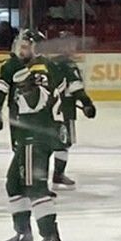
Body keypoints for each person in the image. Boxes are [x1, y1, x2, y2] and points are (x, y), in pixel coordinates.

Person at [1, 67, 67, 241]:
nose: (21, 88)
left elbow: (31, 100)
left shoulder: (36, 92)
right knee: (13, 183)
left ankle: (50, 236)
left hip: (34, 142)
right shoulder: (45, 89)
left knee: (35, 188)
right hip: (28, 142)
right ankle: (23, 232)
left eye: (23, 84)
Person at [51, 32, 96, 190]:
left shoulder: (49, 63)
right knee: (64, 143)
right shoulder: (69, 65)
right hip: (65, 111)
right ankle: (58, 175)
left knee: (45, 144)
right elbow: (76, 87)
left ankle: (37, 177)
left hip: (48, 110)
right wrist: (87, 103)